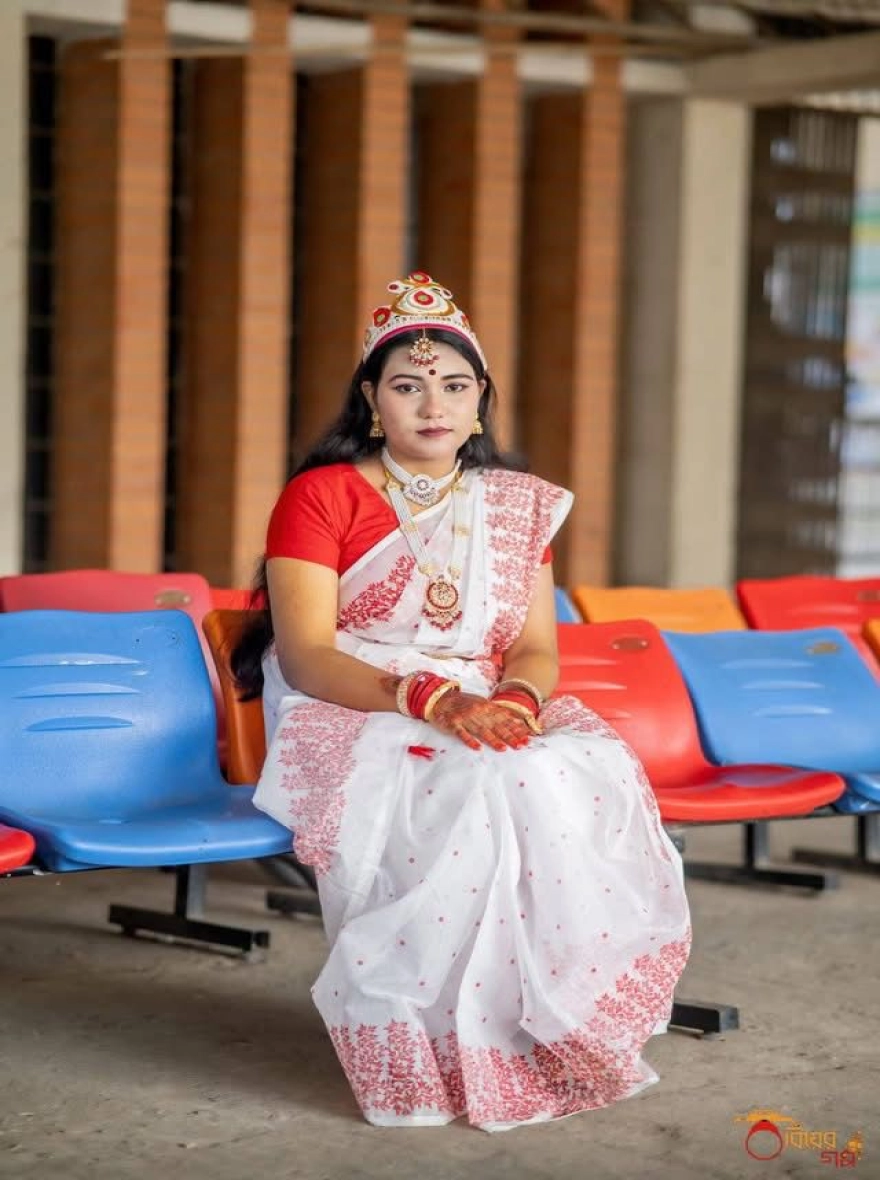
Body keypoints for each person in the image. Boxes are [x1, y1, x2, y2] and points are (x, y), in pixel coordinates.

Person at [233, 272, 691, 1132]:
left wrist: (517, 699)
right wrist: (430, 697)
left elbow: (535, 647)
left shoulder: (514, 505)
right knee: (476, 782)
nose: (431, 404)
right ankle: (424, 1037)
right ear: (372, 401)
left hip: (480, 697)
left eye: (453, 385)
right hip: (352, 703)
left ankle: (536, 1023)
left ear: (481, 403)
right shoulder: (321, 495)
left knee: (572, 766)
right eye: (407, 386)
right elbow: (306, 652)